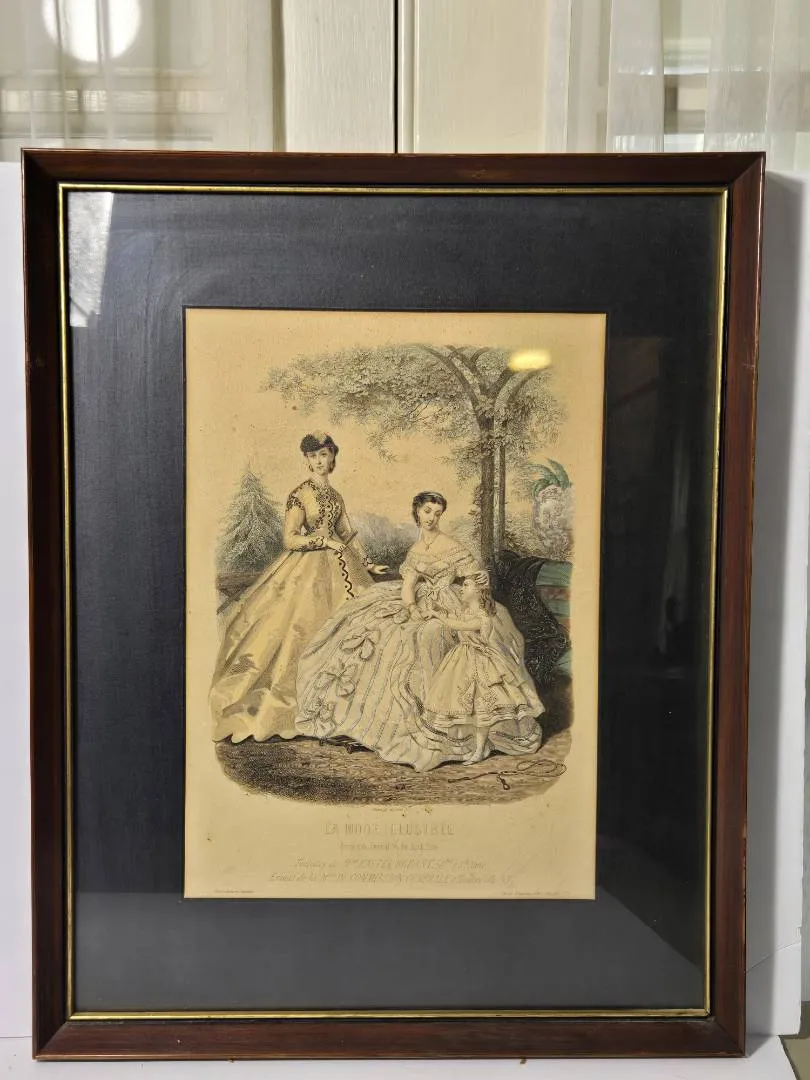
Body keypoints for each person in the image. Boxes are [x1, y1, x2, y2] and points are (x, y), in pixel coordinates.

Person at [294, 491, 544, 771]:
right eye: (427, 512)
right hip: (422, 603)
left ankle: (442, 726)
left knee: (430, 636)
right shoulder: (415, 551)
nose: (432, 518)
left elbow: (475, 579)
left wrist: (474, 593)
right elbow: (408, 586)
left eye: (437, 513)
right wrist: (412, 608)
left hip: (453, 603)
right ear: (417, 512)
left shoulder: (452, 545)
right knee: (381, 632)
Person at [210, 433, 387, 743]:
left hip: (343, 567)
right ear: (306, 460)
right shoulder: (299, 494)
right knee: (298, 631)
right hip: (307, 571)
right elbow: (290, 539)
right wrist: (324, 541)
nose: (319, 461)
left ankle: (348, 708)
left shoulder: (336, 496)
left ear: (333, 457)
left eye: (324, 454)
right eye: (313, 456)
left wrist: (369, 564)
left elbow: (347, 534)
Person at [421, 575, 544, 765]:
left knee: (481, 710)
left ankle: (479, 750)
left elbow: (459, 625)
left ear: (479, 591)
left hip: (482, 664)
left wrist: (437, 615)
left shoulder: (484, 616)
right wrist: (437, 610)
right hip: (461, 661)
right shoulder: (466, 611)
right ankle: (476, 747)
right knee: (468, 709)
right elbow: (455, 620)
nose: (461, 589)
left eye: (466, 585)